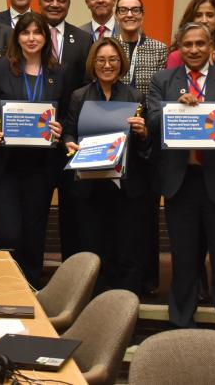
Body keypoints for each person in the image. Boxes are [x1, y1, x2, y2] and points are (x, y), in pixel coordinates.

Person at [147, 22, 215, 335]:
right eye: (187, 45)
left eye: (200, 44)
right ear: (179, 48)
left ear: (211, 48)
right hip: (182, 181)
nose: (193, 50)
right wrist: (173, 110)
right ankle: (180, 319)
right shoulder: (163, 80)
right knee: (183, 256)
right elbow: (151, 122)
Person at [0, 12, 65, 286]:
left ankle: (32, 287)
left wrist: (60, 129)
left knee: (34, 232)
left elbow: (65, 114)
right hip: (4, 165)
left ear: (45, 37)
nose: (31, 38)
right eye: (25, 33)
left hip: (40, 167)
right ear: (17, 37)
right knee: (7, 231)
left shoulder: (58, 73)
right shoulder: (1, 67)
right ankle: (2, 284)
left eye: (37, 33)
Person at [62, 38, 151, 294]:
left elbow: (144, 147)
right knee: (93, 252)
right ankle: (96, 314)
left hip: (124, 188)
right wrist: (69, 144)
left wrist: (143, 133)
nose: (107, 65)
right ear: (93, 63)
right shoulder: (79, 96)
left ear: (120, 62)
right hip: (90, 187)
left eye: (112, 59)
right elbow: (68, 133)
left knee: (127, 253)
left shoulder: (134, 95)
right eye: (101, 60)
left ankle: (125, 311)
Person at [110, 0, 169, 297]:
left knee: (146, 211)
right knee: (119, 212)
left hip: (147, 140)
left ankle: (147, 278)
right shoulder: (107, 47)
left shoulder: (159, 49)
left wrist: (145, 124)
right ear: (116, 15)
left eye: (135, 10)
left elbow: (160, 93)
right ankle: (119, 273)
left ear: (143, 14)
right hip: (113, 136)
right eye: (123, 10)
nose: (129, 15)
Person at [167, 0, 215, 68]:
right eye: (198, 15)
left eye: (210, 15)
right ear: (190, 20)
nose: (204, 20)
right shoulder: (176, 56)